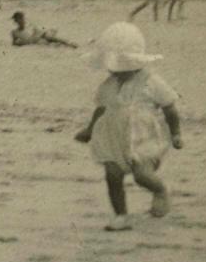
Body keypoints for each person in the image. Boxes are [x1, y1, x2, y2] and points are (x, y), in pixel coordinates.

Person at [75, 22, 182, 231]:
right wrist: (89, 130)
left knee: (142, 175)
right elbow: (101, 109)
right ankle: (121, 215)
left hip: (145, 138)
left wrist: (176, 133)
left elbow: (170, 108)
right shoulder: (109, 84)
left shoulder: (152, 81)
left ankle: (159, 190)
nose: (115, 71)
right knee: (112, 175)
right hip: (113, 137)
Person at [10, 11, 76, 48]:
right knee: (48, 40)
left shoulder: (30, 26)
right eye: (19, 19)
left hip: (40, 37)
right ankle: (67, 43)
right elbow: (14, 43)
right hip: (35, 41)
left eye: (22, 19)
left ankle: (68, 43)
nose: (21, 21)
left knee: (48, 37)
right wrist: (23, 43)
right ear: (16, 21)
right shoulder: (14, 32)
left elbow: (39, 31)